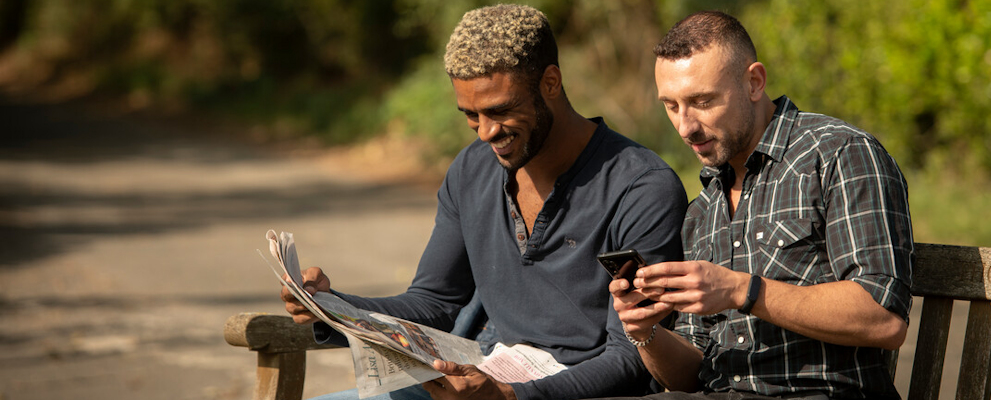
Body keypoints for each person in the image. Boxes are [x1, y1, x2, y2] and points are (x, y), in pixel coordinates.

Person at [280, 4, 687, 400]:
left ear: (551, 82)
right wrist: (332, 307)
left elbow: (631, 356)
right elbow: (434, 302)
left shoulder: (641, 188)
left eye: (500, 110)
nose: (485, 133)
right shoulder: (472, 170)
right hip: (481, 381)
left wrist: (509, 396)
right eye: (471, 115)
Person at [606, 11, 914, 399]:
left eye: (702, 101)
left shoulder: (839, 154)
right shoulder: (702, 211)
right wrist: (645, 332)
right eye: (671, 106)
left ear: (754, 81)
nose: (686, 127)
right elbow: (690, 376)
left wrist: (743, 291)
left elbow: (884, 318)